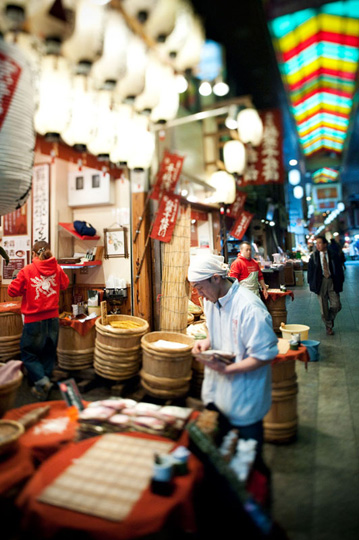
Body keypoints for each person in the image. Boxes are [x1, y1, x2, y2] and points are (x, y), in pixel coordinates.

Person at [188, 253, 278, 458]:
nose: (199, 294)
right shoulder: (211, 300)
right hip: (218, 398)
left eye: (200, 287)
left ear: (216, 278)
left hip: (244, 400)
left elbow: (264, 355)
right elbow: (215, 329)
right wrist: (206, 342)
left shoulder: (249, 307)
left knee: (248, 463)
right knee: (223, 460)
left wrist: (228, 369)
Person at [8, 241, 69, 399]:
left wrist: (19, 281)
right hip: (53, 318)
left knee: (28, 353)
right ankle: (44, 385)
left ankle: (42, 382)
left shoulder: (27, 270)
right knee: (49, 353)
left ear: (33, 254)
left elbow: (12, 291)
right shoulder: (57, 268)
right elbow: (65, 284)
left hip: (34, 320)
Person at [307, 236, 344, 336]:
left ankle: (329, 319)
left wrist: (340, 281)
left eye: (319, 243)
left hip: (332, 281)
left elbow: (339, 269)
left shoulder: (333, 254)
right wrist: (311, 283)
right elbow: (310, 271)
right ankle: (328, 326)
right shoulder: (314, 256)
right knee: (323, 309)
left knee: (336, 305)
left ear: (325, 244)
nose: (317, 245)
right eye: (316, 243)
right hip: (320, 282)